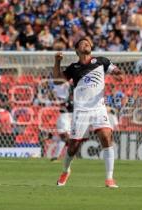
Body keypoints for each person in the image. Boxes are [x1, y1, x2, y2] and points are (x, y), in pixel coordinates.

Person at [53, 37, 124, 188]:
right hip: (81, 110)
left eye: (88, 43)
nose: (87, 44)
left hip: (99, 107)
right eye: (83, 43)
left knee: (106, 136)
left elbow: (117, 71)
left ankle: (109, 178)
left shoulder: (101, 61)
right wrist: (57, 61)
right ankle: (66, 170)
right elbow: (57, 81)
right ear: (77, 50)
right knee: (73, 146)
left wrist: (118, 73)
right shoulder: (74, 68)